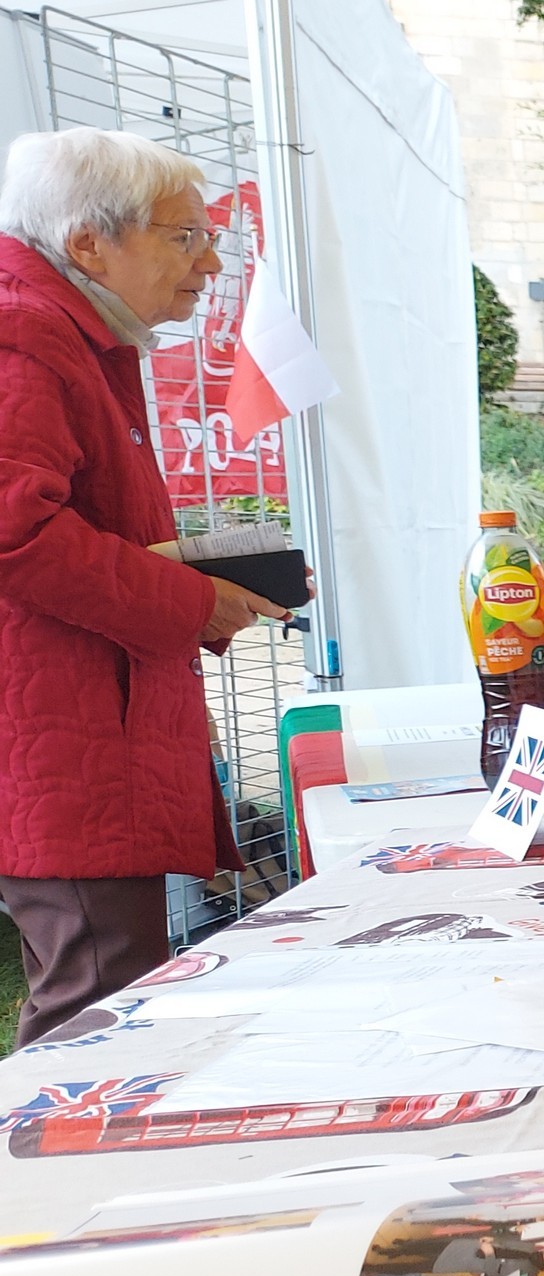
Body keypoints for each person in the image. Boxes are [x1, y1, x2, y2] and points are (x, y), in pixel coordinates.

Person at [0, 129, 290, 1044]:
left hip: (81, 730)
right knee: (93, 992)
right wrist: (195, 601)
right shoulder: (25, 336)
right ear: (90, 242)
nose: (209, 262)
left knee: (103, 979)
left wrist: (216, 585)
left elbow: (83, 532)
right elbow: (19, 534)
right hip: (59, 737)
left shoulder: (71, 333)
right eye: (183, 237)